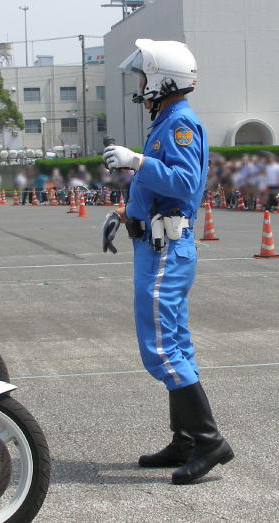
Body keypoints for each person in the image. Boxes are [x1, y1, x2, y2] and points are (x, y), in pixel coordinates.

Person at [102, 39, 234, 485]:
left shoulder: (179, 124)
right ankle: (186, 440)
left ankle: (208, 440)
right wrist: (124, 214)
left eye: (144, 76)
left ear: (161, 79)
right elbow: (160, 193)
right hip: (159, 245)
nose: (139, 83)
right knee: (175, 342)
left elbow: (184, 184)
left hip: (164, 252)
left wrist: (136, 161)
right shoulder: (168, 121)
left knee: (160, 347)